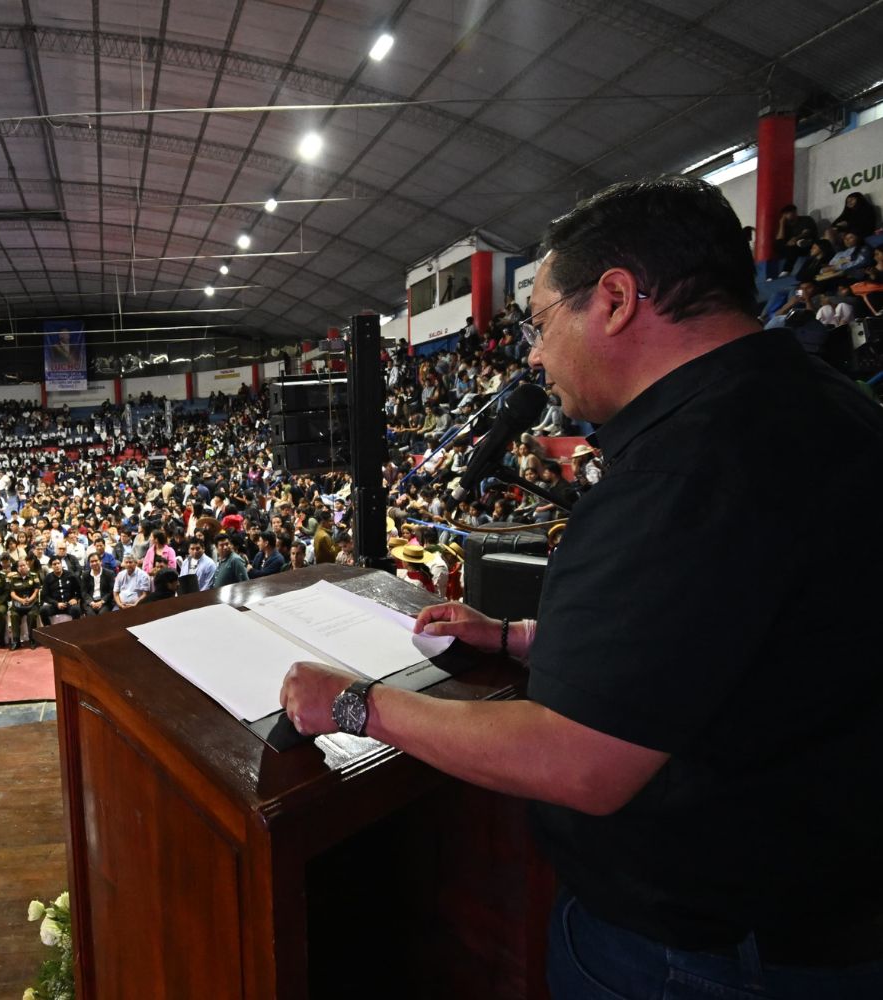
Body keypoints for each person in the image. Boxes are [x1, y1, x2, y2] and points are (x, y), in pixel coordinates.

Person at [280, 176, 883, 999]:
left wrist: (356, 705)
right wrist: (520, 640)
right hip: (820, 915)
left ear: (616, 299)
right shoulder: (825, 408)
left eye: (538, 323)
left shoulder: (684, 466)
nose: (532, 353)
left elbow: (581, 762)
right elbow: (734, 643)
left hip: (703, 954)